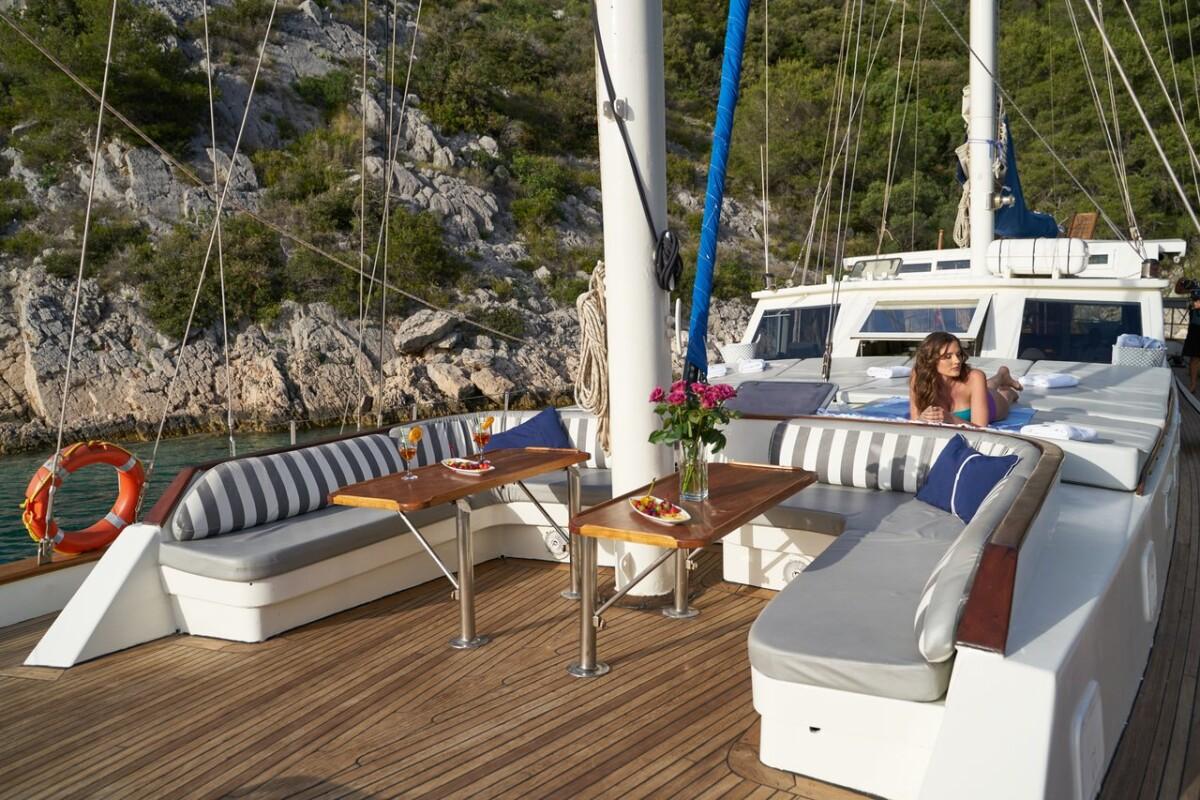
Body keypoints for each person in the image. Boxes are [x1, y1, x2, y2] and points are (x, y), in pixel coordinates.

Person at [909, 331, 1023, 427]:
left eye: (958, 354)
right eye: (948, 357)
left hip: (991, 405)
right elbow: (915, 420)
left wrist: (950, 419)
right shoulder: (919, 376)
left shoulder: (975, 377)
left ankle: (1006, 385)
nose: (957, 361)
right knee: (986, 386)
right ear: (931, 360)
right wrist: (921, 419)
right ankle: (1002, 375)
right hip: (973, 391)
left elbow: (981, 429)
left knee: (1004, 396)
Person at [1182, 281, 1200, 394]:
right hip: (1196, 328)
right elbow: (1178, 290)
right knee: (1195, 358)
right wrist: (1182, 282)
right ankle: (1193, 385)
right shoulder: (1195, 286)